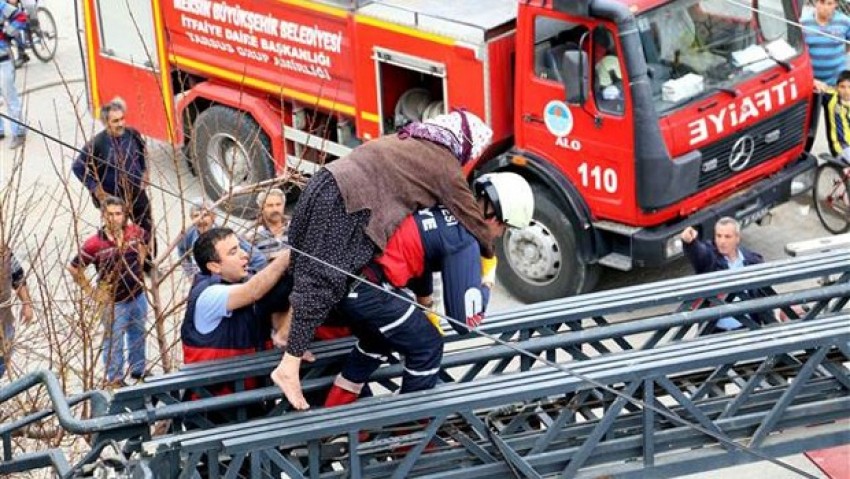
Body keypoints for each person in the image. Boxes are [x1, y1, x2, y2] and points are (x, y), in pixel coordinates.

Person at [271, 110, 500, 409]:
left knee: (307, 268)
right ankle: (289, 367)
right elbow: (473, 220)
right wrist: (489, 263)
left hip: (324, 184)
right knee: (323, 279)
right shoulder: (443, 164)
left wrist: (425, 301)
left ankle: (291, 337)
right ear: (465, 144)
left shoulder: (410, 140)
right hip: (345, 200)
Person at [279, 173, 535, 410]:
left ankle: (333, 421)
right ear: (495, 216)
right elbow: (464, 321)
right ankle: (410, 436)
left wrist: (427, 305)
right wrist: (487, 278)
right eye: (505, 228)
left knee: (376, 343)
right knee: (428, 346)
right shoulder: (463, 239)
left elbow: (420, 261)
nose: (501, 235)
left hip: (352, 283)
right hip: (369, 290)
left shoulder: (442, 208)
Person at [181, 227, 293, 370]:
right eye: (233, 252)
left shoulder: (244, 281)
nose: (245, 255)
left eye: (240, 248)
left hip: (252, 384)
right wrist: (288, 256)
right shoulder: (208, 294)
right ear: (214, 266)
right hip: (216, 390)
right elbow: (252, 291)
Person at [68, 196, 149, 388]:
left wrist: (139, 265)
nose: (114, 218)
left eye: (118, 214)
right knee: (114, 341)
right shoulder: (94, 244)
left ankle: (139, 370)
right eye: (109, 214)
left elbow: (145, 244)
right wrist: (92, 292)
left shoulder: (135, 233)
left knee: (138, 333)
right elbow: (74, 268)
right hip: (114, 302)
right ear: (103, 216)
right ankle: (114, 378)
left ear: (125, 215)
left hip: (137, 296)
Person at [71, 98, 154, 243]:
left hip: (136, 193)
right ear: (106, 123)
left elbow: (141, 151)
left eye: (122, 119)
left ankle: (148, 263)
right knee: (117, 237)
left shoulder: (132, 134)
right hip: (114, 200)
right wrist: (95, 188)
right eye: (115, 121)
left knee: (146, 232)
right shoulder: (97, 143)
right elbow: (78, 167)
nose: (121, 123)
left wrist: (145, 171)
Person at [681, 218, 770, 332]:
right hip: (714, 330)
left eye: (727, 237)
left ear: (737, 238)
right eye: (719, 236)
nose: (722, 241)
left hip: (747, 328)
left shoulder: (751, 260)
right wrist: (690, 243)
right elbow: (700, 253)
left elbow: (764, 295)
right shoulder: (710, 258)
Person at [176, 198, 266, 279]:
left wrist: (247, 278)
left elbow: (259, 259)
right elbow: (181, 249)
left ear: (214, 217)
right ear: (191, 219)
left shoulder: (226, 237)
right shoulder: (188, 234)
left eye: (205, 215)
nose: (201, 220)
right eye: (196, 216)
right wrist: (191, 274)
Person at [802, 0, 850, 92]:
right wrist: (811, 81)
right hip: (813, 83)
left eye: (829, 3)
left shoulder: (845, 22)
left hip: (837, 83)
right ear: (815, 2)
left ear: (836, 4)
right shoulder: (803, 23)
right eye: (822, 2)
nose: (825, 7)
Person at [0, 249, 33, 379]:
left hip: (5, 322)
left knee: (2, 364)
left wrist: (27, 304)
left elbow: (18, 277)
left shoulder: (4, 251)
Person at [0, 0, 26, 149]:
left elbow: (20, 17)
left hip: (2, 58)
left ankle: (19, 131)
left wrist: (8, 33)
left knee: (9, 96)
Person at [246, 188, 289, 262]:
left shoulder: (294, 226)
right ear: (261, 208)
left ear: (284, 205)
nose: (275, 209)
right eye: (270, 205)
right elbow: (249, 262)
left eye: (278, 204)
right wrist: (272, 257)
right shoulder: (253, 233)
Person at [825, 70, 850, 162]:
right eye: (842, 87)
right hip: (840, 146)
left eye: (849, 87)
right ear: (836, 88)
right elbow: (821, 88)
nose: (846, 91)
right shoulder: (832, 99)